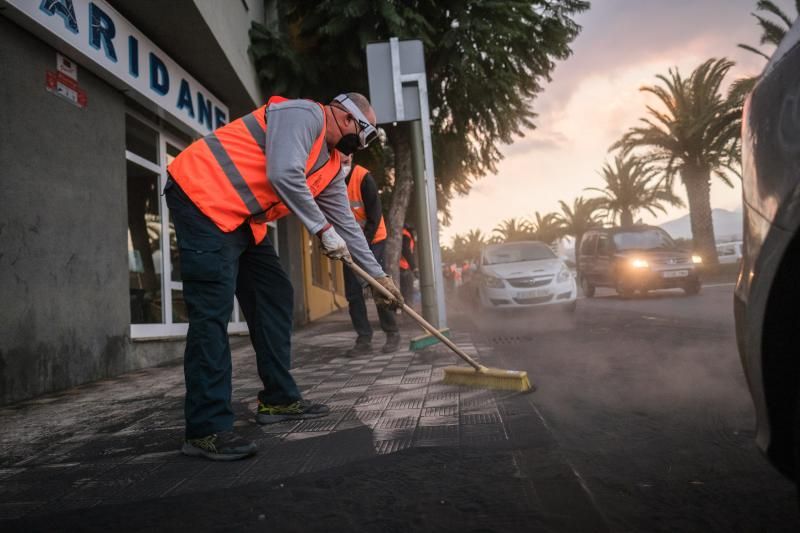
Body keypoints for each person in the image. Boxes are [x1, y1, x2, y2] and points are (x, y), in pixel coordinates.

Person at [165, 93, 404, 461]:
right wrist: (322, 231)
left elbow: (349, 226)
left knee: (274, 295)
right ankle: (205, 429)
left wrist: (379, 278)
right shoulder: (305, 114)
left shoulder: (332, 163)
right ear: (344, 116)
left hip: (240, 218)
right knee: (212, 312)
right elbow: (283, 173)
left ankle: (278, 401)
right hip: (202, 197)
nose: (362, 141)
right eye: (364, 132)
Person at [342, 153, 401, 355]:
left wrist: (362, 246)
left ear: (351, 154)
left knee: (378, 285)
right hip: (347, 245)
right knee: (353, 292)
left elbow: (375, 216)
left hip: (373, 240)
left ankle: (392, 333)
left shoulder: (363, 178)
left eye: (346, 152)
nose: (343, 156)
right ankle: (364, 339)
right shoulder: (329, 178)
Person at [399, 224, 417, 303]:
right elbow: (406, 251)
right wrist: (414, 267)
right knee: (406, 291)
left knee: (405, 291)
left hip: (403, 266)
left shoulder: (404, 234)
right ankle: (405, 311)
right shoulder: (406, 235)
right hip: (402, 267)